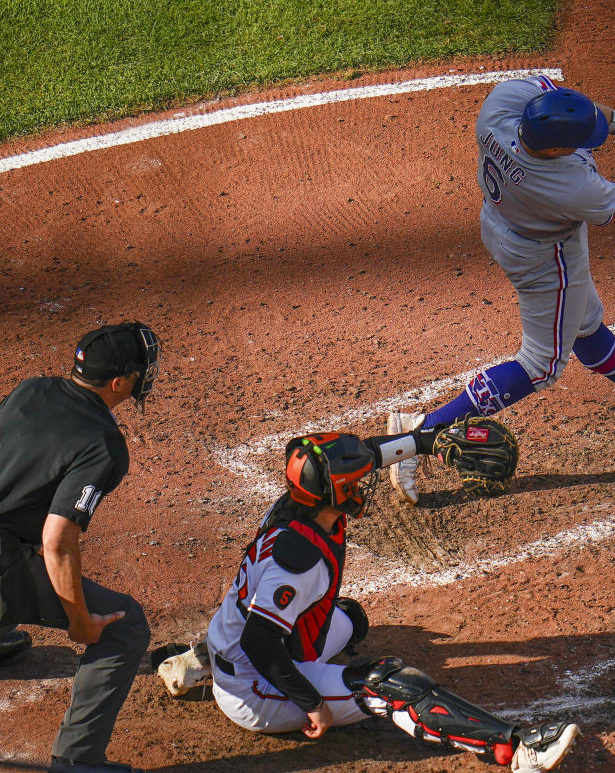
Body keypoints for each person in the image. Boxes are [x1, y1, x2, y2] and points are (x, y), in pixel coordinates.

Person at [388, 74, 615, 503]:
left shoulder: (503, 105)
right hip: (545, 258)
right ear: (553, 149)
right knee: (541, 364)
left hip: (500, 224)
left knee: (585, 324)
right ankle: (422, 431)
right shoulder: (567, 184)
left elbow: (575, 105)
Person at [200, 431, 579, 772]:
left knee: (349, 618)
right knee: (389, 683)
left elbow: (369, 452)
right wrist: (311, 701)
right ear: (336, 490)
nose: (363, 485)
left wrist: (428, 441)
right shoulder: (299, 562)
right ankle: (516, 748)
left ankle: (199, 657)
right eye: (355, 482)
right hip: (255, 688)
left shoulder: (302, 506)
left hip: (241, 645)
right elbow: (258, 641)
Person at [0, 322, 162, 773]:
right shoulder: (104, 444)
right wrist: (79, 621)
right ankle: (78, 760)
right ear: (119, 383)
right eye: (139, 370)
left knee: (17, 537)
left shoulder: (32, 389)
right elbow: (57, 539)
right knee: (123, 625)